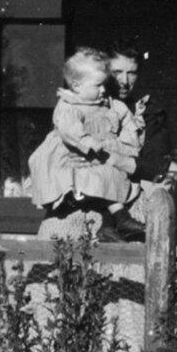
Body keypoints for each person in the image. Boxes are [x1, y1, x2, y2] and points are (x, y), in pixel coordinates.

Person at [27, 46, 140, 231]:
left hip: (97, 157)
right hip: (72, 156)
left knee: (111, 176)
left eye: (104, 84)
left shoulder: (110, 107)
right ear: (77, 86)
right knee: (86, 178)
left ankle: (117, 219)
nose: (103, 89)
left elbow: (128, 135)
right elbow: (71, 131)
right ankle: (74, 203)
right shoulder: (69, 105)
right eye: (98, 85)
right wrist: (91, 144)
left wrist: (121, 148)